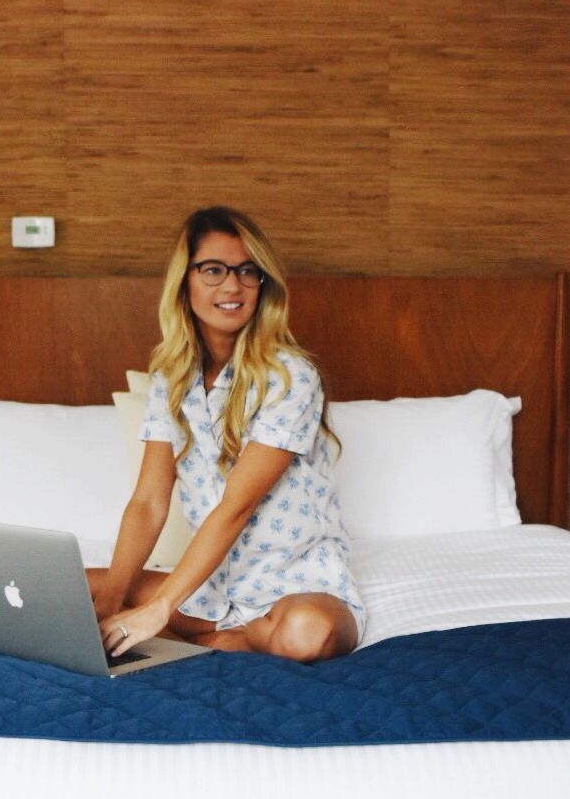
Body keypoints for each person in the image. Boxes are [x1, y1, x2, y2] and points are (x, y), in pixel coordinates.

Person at [86, 206, 365, 663]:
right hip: (208, 591)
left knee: (306, 633)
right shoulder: (171, 378)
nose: (232, 286)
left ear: (262, 285)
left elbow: (238, 505)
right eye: (213, 270)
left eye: (247, 271)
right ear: (185, 281)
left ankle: (229, 639)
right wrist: (108, 605)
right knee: (60, 587)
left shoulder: (290, 376)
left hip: (293, 584)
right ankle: (221, 637)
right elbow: (149, 502)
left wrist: (157, 610)